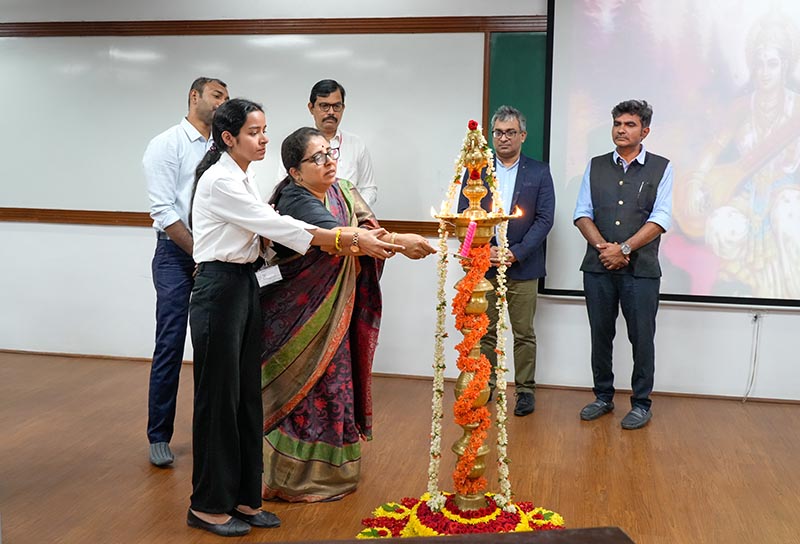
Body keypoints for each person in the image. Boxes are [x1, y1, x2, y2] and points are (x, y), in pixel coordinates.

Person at [187, 100, 401, 536]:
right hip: (219, 290)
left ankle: (246, 500)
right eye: (254, 132)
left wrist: (359, 235)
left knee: (247, 399)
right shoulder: (220, 181)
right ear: (229, 138)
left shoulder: (243, 177)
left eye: (264, 130)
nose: (263, 138)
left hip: (245, 285)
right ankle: (208, 506)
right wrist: (347, 235)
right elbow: (279, 226)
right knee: (218, 402)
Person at [260, 127, 436, 502]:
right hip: (298, 317)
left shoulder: (343, 190)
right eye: (317, 158)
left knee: (335, 386)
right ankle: (289, 477)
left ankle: (334, 474)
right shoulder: (295, 199)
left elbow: (366, 228)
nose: (329, 162)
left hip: (336, 313)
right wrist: (400, 243)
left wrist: (391, 240)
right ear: (294, 171)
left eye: (330, 153)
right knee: (299, 393)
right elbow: (342, 237)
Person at [678, 14, 800, 298]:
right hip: (744, 193)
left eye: (773, 64)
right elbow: (713, 149)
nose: (765, 72)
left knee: (788, 216)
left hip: (785, 191)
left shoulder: (797, 108)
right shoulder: (741, 107)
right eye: (759, 64)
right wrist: (696, 182)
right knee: (721, 227)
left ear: (785, 66)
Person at [142, 77, 229, 467]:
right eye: (217, 95)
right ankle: (159, 435)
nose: (223, 102)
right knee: (171, 344)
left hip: (214, 255)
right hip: (176, 254)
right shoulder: (166, 144)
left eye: (226, 97)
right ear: (194, 97)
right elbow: (164, 211)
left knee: (213, 347)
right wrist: (199, 253)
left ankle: (209, 434)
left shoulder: (223, 147)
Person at [573, 99, 673, 430]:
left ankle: (641, 403)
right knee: (600, 335)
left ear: (644, 131)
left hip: (641, 271)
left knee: (641, 337)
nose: (621, 129)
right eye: (617, 123)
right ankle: (603, 396)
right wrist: (606, 248)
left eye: (629, 125)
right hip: (598, 267)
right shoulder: (596, 165)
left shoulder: (662, 167)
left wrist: (625, 248)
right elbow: (582, 213)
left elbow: (660, 218)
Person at [457, 106, 555, 417]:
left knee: (523, 332)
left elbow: (545, 219)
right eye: (498, 132)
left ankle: (525, 390)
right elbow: (465, 216)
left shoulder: (539, 172)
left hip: (523, 266)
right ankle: (487, 385)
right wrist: (486, 250)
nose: (503, 138)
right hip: (485, 264)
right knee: (485, 331)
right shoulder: (477, 171)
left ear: (522, 136)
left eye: (510, 132)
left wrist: (516, 252)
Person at [306, 79, 377, 207]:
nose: (331, 112)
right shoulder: (298, 144)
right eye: (324, 106)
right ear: (311, 108)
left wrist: (353, 210)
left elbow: (369, 188)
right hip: (310, 219)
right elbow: (283, 185)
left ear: (343, 108)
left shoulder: (356, 144)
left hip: (350, 221)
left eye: (336, 106)